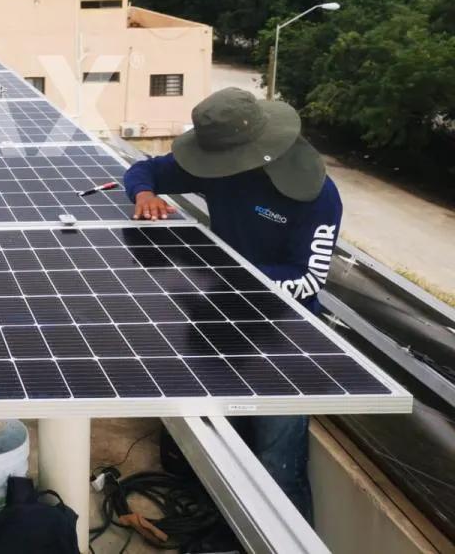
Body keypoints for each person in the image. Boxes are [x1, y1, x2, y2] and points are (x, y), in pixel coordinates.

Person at [123, 86, 342, 524]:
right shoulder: (219, 167)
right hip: (221, 321)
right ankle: (230, 529)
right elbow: (145, 169)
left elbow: (307, 279)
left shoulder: (317, 196)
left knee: (277, 462)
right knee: (227, 445)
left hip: (284, 337)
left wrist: (226, 279)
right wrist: (144, 195)